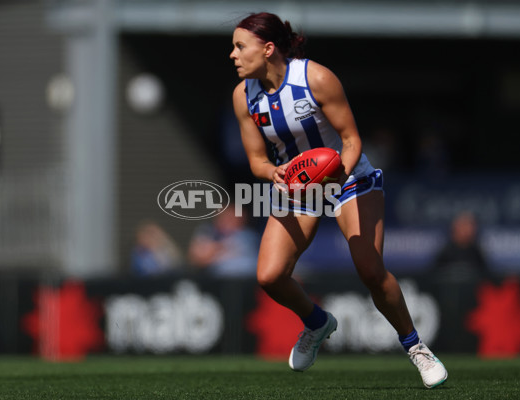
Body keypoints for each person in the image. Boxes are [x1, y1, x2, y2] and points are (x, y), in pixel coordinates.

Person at [230, 12, 447, 388]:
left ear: (267, 49)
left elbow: (350, 140)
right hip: (299, 185)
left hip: (347, 176)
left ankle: (416, 348)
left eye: (239, 46)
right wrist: (273, 174)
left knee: (370, 270)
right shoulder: (243, 96)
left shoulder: (315, 78)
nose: (232, 55)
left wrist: (333, 179)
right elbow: (257, 161)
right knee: (268, 275)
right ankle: (317, 323)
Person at [188, 204, 260, 278]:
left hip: (244, 282)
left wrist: (215, 250)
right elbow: (196, 259)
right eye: (224, 216)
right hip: (216, 281)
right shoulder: (209, 231)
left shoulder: (248, 236)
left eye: (231, 217)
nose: (226, 220)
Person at [434, 211, 488, 281]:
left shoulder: (476, 252)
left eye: (470, 227)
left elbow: (485, 276)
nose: (467, 230)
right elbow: (436, 276)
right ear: (455, 229)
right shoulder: (446, 252)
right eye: (464, 226)